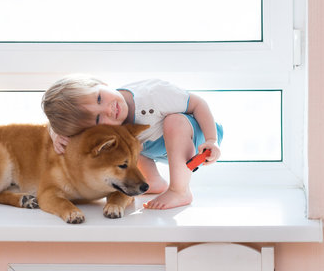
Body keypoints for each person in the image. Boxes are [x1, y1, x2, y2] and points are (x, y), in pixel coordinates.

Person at [41, 75, 223, 210]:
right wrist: (55, 132)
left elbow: (199, 104)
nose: (108, 110)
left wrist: (211, 140)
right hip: (157, 145)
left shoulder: (155, 95)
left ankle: (180, 190)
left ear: (101, 83)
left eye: (99, 98)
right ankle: (153, 181)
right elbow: (79, 131)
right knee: (123, 142)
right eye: (98, 119)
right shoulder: (106, 120)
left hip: (196, 136)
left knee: (174, 122)